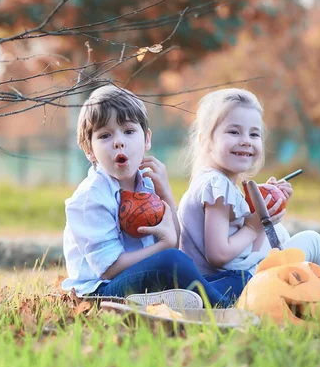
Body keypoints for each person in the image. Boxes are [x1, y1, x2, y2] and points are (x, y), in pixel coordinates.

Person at [61, 84, 232, 307]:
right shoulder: (89, 199)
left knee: (236, 276)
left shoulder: (147, 182)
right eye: (105, 135)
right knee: (172, 262)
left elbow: (174, 236)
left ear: (146, 139)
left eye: (129, 131)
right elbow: (110, 268)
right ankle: (225, 309)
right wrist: (162, 247)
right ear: (89, 151)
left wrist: (165, 192)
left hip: (141, 276)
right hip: (100, 291)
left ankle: (185, 300)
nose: (118, 141)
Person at [178, 88, 320, 299]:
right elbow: (218, 254)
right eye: (234, 132)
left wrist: (263, 206)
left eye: (254, 134)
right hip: (230, 286)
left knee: (279, 233)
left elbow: (237, 237)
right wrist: (254, 226)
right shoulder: (217, 184)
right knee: (312, 241)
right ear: (205, 139)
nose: (246, 140)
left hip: (229, 282)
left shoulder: (212, 182)